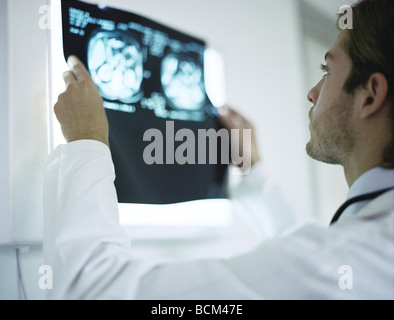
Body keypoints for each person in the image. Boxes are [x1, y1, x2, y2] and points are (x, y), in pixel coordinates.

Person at [44, 0, 394, 299]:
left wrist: (86, 140)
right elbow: (310, 250)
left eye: (327, 71)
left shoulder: (346, 259)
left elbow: (95, 290)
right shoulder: (367, 246)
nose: (313, 92)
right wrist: (253, 171)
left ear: (370, 95)